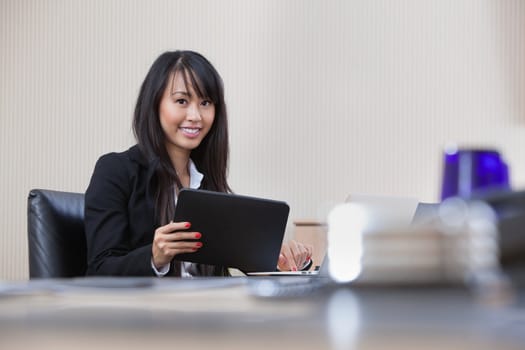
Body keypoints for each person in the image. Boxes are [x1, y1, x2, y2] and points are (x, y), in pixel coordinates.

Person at [84, 50, 313, 277]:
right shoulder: (116, 171)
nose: (195, 115)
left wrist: (280, 262)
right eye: (182, 101)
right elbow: (100, 269)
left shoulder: (207, 183)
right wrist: (154, 258)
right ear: (154, 104)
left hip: (207, 308)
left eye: (205, 102)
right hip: (147, 311)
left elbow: (231, 266)